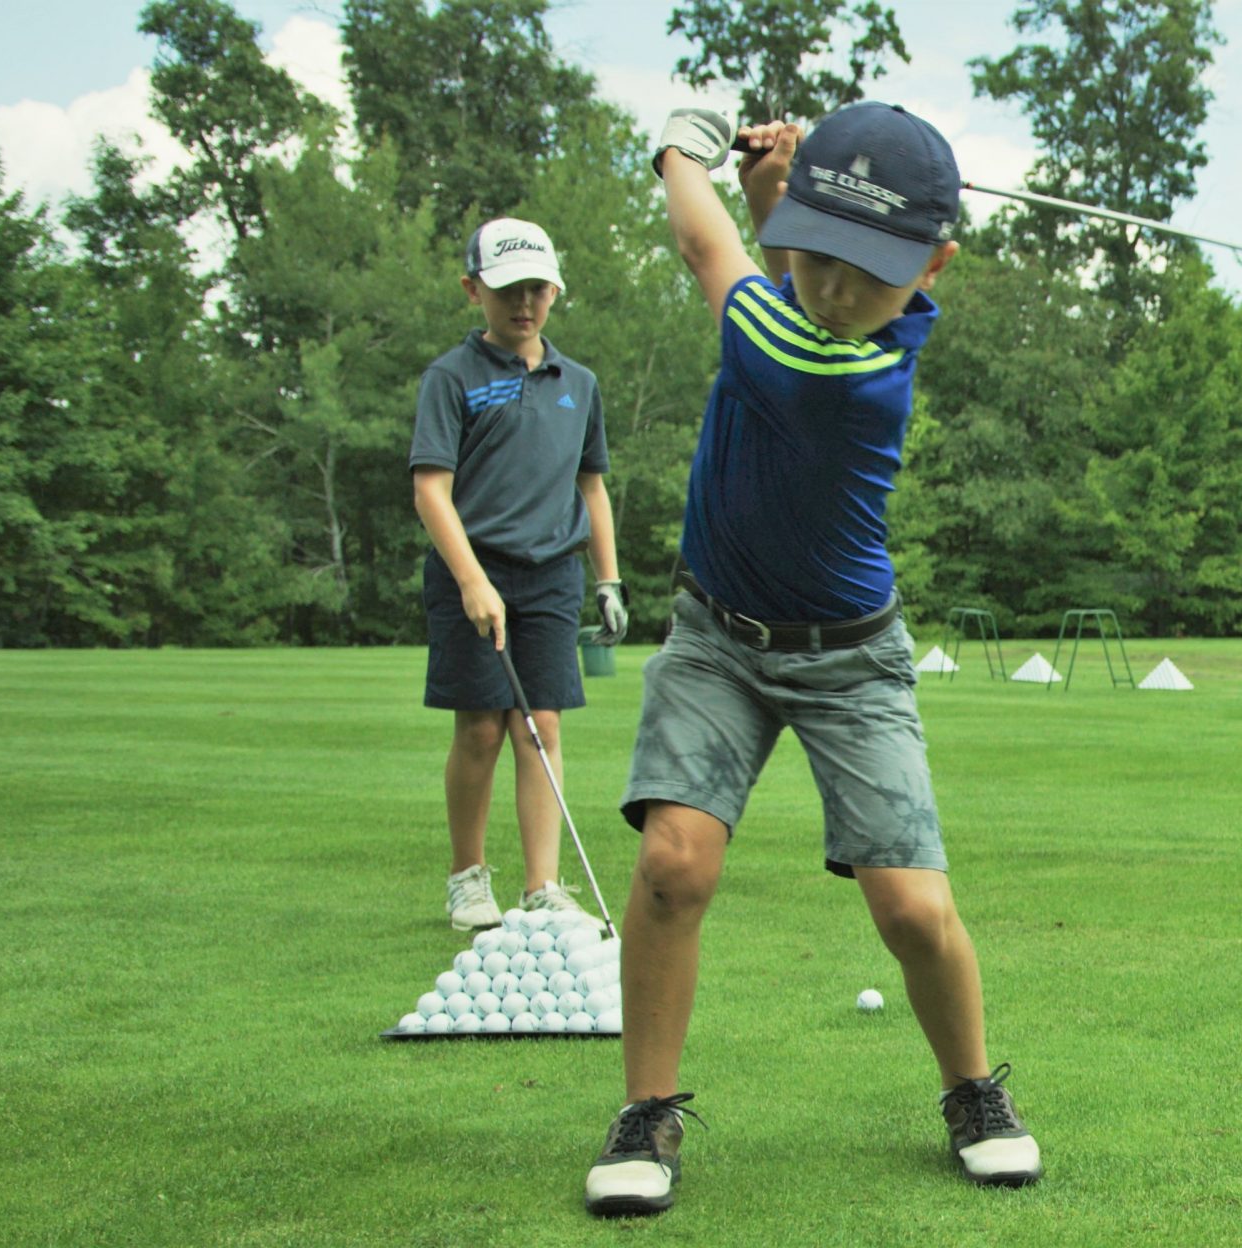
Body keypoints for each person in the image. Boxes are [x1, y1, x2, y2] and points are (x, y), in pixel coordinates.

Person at [581, 103, 1039, 1218]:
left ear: (933, 265)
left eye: (869, 273)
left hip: (851, 660)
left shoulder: (842, 369)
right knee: (672, 863)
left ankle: (974, 1089)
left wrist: (679, 145)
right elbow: (775, 248)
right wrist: (776, 186)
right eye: (822, 258)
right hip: (716, 637)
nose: (837, 293)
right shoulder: (814, 293)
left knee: (911, 912)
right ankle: (647, 1111)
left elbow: (708, 249)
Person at [408, 216, 624, 931]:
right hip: (471, 568)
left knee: (542, 727)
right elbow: (431, 490)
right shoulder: (453, 377)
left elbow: (591, 488)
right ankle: (467, 881)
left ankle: (543, 886)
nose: (523, 304)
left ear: (555, 289)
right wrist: (471, 579)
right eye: (506, 290)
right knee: (480, 729)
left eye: (536, 288)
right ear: (474, 290)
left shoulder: (580, 383)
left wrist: (607, 580)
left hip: (551, 574)